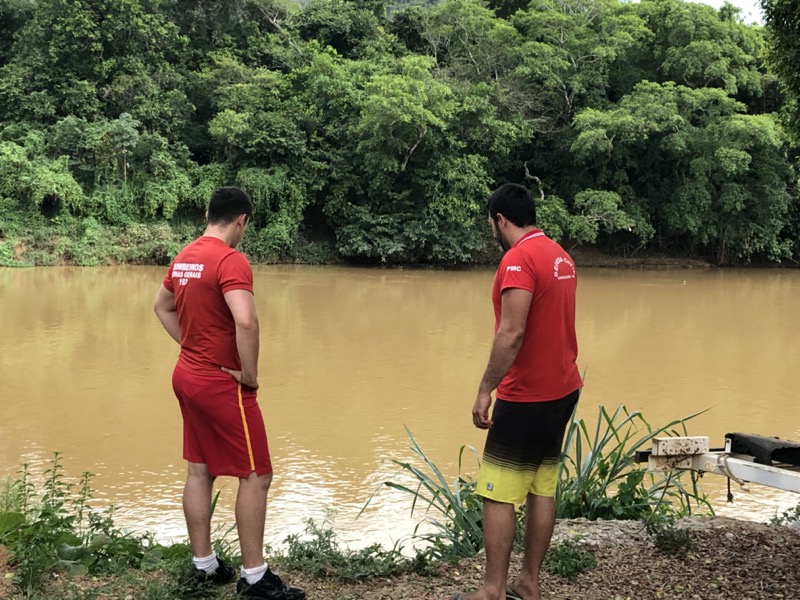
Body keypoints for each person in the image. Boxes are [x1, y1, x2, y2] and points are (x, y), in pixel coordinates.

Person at [153, 186, 305, 600]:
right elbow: (247, 321)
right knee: (256, 475)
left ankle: (204, 565)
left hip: (186, 375)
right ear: (241, 220)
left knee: (199, 469)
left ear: (208, 214)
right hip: (222, 383)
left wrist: (190, 347)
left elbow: (161, 306)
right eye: (244, 226)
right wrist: (250, 375)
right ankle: (255, 578)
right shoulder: (230, 259)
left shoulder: (184, 256)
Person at [450, 183, 583, 600]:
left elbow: (512, 332)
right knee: (542, 485)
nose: (492, 229)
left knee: (497, 492)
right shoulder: (561, 255)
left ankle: (492, 591)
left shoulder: (518, 259)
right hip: (563, 389)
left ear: (500, 220)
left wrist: (484, 390)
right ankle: (528, 583)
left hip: (527, 394)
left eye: (492, 223)